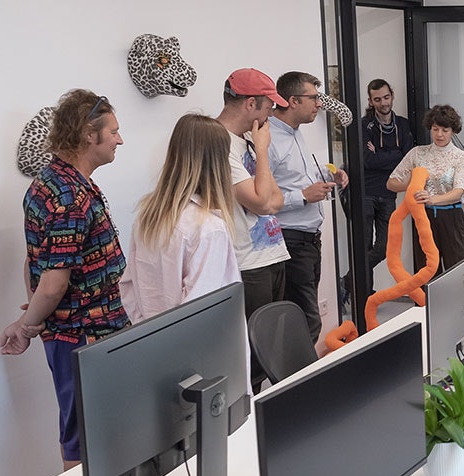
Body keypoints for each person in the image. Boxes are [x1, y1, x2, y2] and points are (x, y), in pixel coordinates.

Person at [0, 89, 129, 470]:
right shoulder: (70, 195)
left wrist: (37, 316)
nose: (120, 140)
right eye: (114, 131)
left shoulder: (54, 181)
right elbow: (53, 283)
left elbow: (33, 261)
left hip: (88, 330)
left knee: (94, 432)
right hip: (85, 336)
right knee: (85, 440)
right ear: (90, 136)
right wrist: (28, 324)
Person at [121, 114, 241, 323]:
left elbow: (129, 288)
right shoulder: (209, 229)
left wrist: (146, 332)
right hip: (199, 349)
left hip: (153, 341)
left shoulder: (147, 217)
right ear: (219, 163)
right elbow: (202, 312)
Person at [215, 68, 289, 390]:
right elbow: (262, 202)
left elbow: (277, 201)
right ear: (249, 104)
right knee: (254, 357)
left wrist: (258, 150)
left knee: (273, 348)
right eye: (268, 105)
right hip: (247, 262)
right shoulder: (218, 144)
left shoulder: (246, 140)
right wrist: (261, 150)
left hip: (272, 252)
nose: (272, 112)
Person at [269, 70, 348, 343]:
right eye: (313, 98)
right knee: (307, 322)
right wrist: (303, 196)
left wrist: (329, 176)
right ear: (292, 100)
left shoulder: (295, 133)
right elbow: (261, 200)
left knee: (306, 319)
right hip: (290, 240)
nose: (319, 104)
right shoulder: (268, 140)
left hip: (310, 239)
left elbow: (296, 178)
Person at [388, 104, 464, 273]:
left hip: (451, 217)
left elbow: (459, 191)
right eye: (435, 129)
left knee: (458, 268)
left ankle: (458, 301)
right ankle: (425, 301)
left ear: (453, 131)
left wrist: (432, 199)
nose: (439, 135)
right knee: (426, 270)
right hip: (423, 217)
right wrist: (413, 184)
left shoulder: (461, 157)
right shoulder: (417, 153)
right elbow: (391, 182)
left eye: (445, 130)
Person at [361, 79, 413, 288]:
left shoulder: (403, 124)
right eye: (377, 99)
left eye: (386, 97)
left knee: (384, 248)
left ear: (392, 95)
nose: (383, 103)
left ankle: (347, 281)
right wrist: (394, 155)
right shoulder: (365, 125)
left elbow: (407, 158)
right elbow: (367, 160)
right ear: (371, 101)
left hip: (389, 193)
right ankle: (365, 293)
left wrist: (382, 155)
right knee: (364, 246)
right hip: (366, 192)